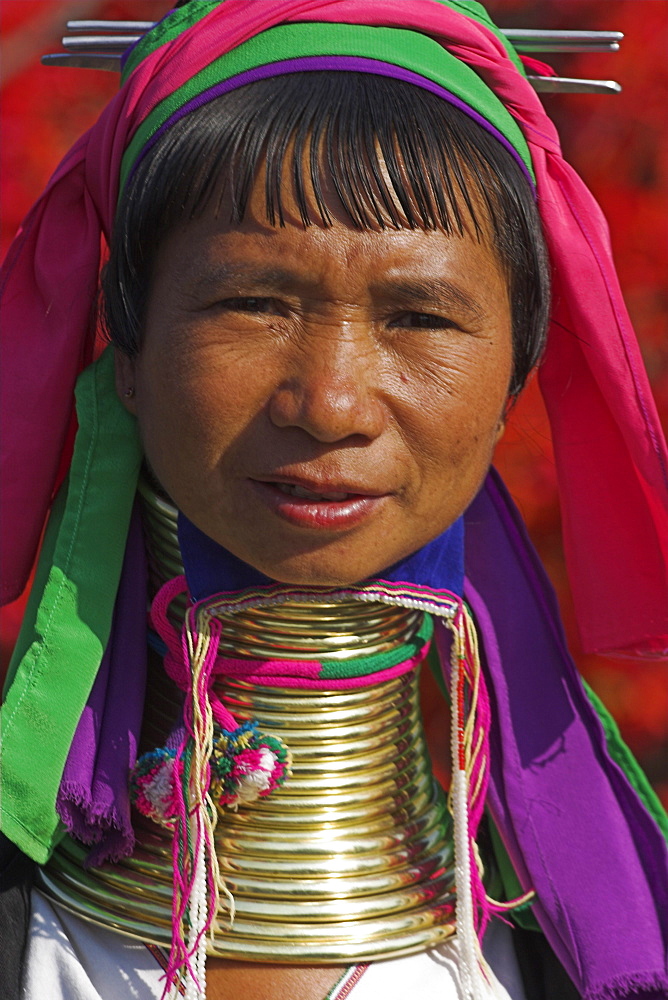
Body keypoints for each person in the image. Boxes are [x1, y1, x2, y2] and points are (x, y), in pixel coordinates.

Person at [1, 2, 667, 999]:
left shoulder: (563, 953)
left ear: (511, 381)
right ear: (126, 348)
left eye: (418, 315)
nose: (331, 402)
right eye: (252, 304)